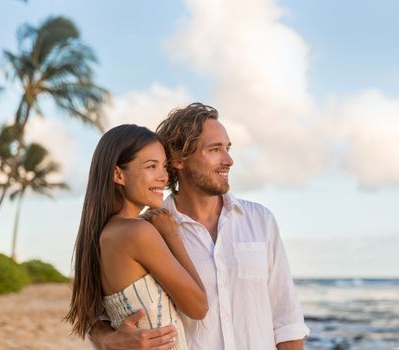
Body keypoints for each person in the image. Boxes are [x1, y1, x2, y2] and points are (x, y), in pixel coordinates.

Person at [91, 103, 309, 349]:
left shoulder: (261, 221)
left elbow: (286, 320)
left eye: (227, 148)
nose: (229, 160)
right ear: (180, 159)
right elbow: (103, 314)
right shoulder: (150, 230)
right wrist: (107, 339)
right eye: (215, 149)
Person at [66, 124, 208, 350]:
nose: (163, 177)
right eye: (151, 166)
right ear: (118, 174)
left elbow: (96, 318)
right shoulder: (138, 233)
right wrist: (171, 235)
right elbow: (198, 307)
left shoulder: (103, 234)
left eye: (163, 166)